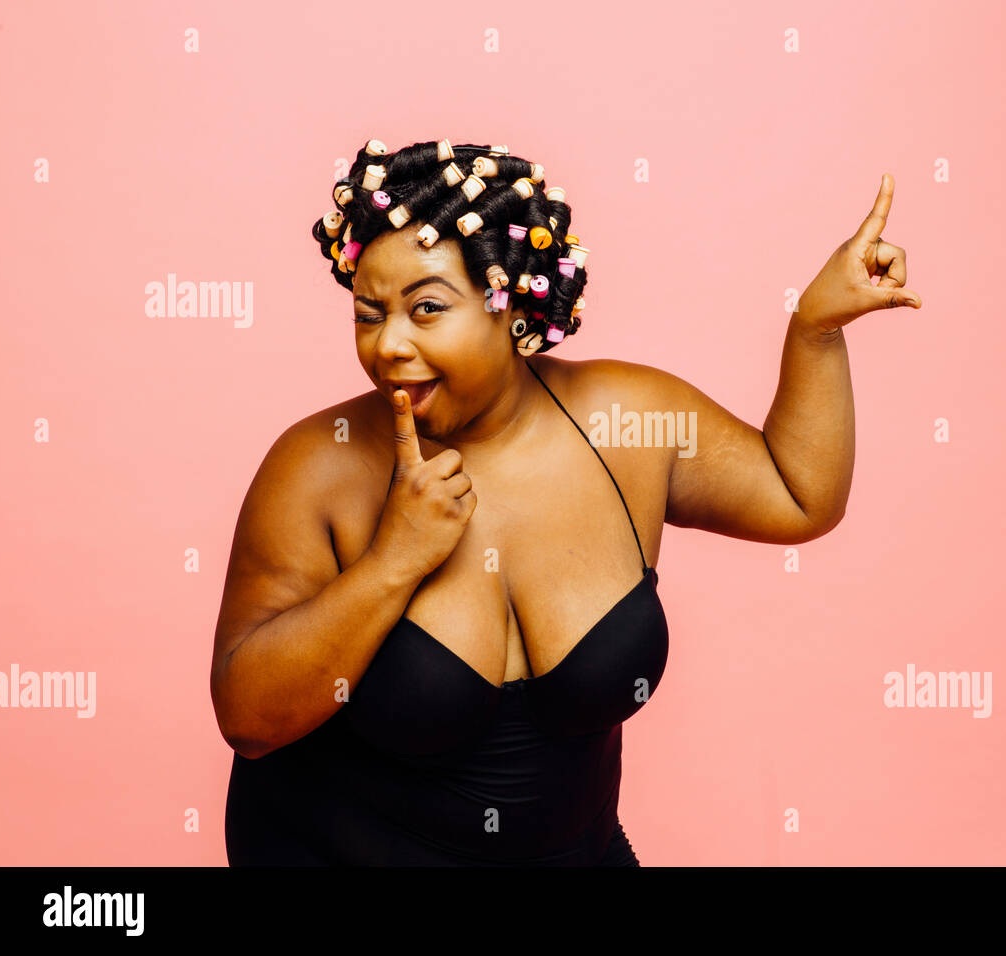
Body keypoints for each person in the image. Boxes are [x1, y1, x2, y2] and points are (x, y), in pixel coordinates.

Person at [210, 138, 922, 866]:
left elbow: (797, 494)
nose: (389, 343)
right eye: (368, 313)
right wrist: (393, 563)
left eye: (426, 309)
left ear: (512, 307)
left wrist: (818, 330)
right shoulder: (319, 464)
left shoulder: (625, 424)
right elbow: (248, 718)